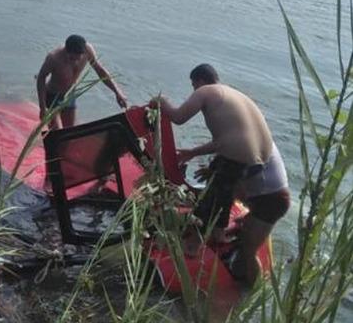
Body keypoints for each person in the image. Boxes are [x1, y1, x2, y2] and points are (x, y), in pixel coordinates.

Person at [157, 63, 290, 285]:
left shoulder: (205, 91)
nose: (193, 90)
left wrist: (162, 103)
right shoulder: (235, 96)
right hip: (262, 175)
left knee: (214, 200)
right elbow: (227, 142)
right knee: (218, 181)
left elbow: (178, 117)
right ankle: (226, 236)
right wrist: (194, 153)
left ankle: (201, 240)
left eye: (193, 85)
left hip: (269, 197)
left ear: (199, 81)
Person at [36, 34, 127, 129]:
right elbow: (41, 78)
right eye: (71, 58)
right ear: (66, 51)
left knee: (70, 130)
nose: (75, 62)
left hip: (70, 94)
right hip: (52, 96)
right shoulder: (53, 58)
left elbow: (100, 71)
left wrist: (117, 92)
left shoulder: (88, 50)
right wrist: (42, 108)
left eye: (78, 58)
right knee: (55, 132)